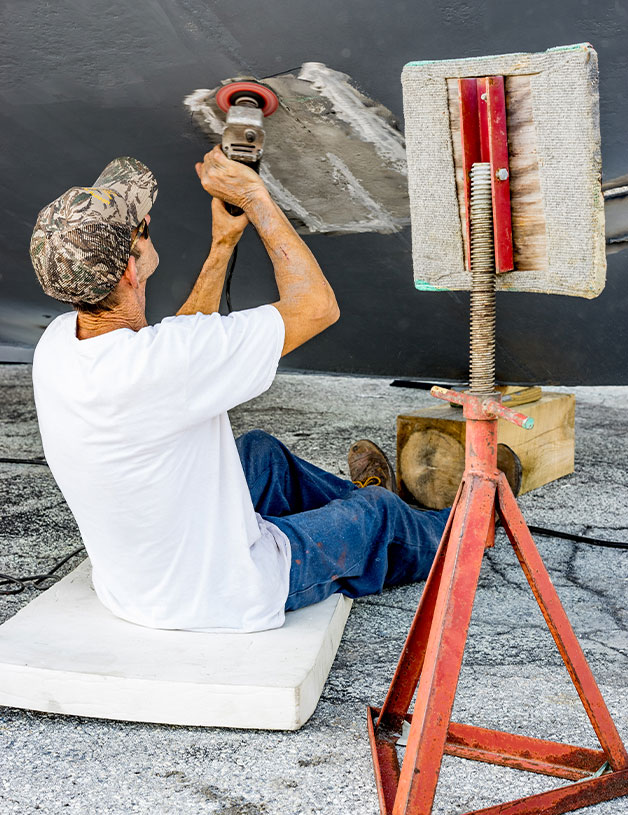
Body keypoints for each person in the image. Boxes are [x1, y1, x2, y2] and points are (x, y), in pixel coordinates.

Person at [29, 147, 449, 633]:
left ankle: (382, 507)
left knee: (260, 454)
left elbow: (180, 345)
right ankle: (453, 533)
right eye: (140, 227)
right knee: (373, 517)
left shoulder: (60, 340)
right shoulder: (160, 366)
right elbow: (317, 307)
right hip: (222, 592)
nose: (147, 223)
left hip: (140, 581)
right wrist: (256, 198)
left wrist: (223, 244)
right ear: (131, 268)